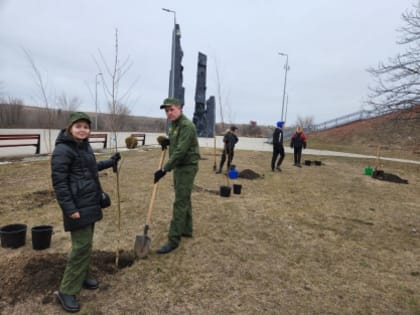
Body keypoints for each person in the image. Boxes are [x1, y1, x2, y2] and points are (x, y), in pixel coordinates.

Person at [51, 112, 120, 313]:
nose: (83, 130)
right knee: (81, 247)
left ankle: (81, 276)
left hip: (89, 202)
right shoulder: (63, 150)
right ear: (70, 128)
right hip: (77, 207)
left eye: (86, 127)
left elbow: (90, 168)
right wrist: (70, 209)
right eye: (79, 126)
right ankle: (66, 290)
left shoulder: (83, 147)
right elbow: (60, 183)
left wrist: (110, 161)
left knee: (86, 244)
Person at [154, 98, 200, 254]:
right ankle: (187, 229)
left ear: (179, 108)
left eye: (171, 109)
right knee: (184, 197)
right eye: (166, 111)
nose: (169, 113)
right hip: (179, 166)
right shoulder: (174, 124)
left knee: (180, 202)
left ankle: (173, 240)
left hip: (187, 167)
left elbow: (181, 151)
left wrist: (164, 170)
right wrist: (168, 142)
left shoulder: (187, 126)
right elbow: (176, 142)